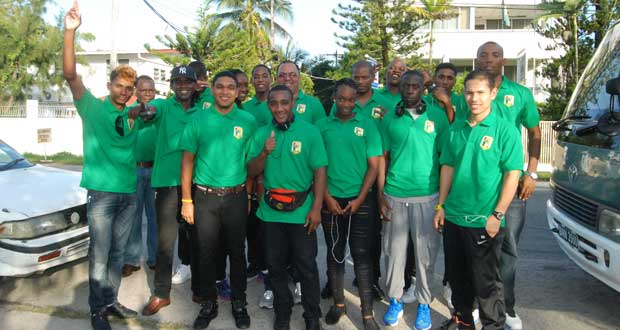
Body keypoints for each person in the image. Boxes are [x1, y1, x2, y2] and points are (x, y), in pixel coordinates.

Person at [63, 2, 139, 329]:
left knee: (118, 255)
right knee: (99, 255)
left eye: (129, 88)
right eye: (119, 86)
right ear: (110, 87)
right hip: (102, 195)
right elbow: (70, 74)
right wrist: (70, 31)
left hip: (129, 194)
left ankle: (110, 301)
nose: (124, 91)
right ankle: (96, 310)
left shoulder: (134, 116)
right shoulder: (92, 108)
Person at [435, 69, 523, 330]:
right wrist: (441, 205)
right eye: (469, 92)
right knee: (458, 279)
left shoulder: (505, 131)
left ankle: (493, 325)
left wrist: (497, 215)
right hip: (454, 217)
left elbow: (511, 176)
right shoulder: (457, 128)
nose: (474, 98)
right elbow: (447, 168)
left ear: (493, 94)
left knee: (486, 285)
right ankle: (463, 322)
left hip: (484, 221)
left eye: (480, 93)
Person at [179, 71, 257, 330]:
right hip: (204, 197)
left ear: (237, 92)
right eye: (220, 87)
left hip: (235, 197)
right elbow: (187, 160)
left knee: (237, 253)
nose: (225, 92)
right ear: (212, 90)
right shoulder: (199, 119)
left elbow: (250, 163)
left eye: (230, 87)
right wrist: (187, 200)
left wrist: (247, 195)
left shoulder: (247, 120)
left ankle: (239, 302)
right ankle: (208, 304)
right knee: (205, 253)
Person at [247, 84, 327, 330]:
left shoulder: (310, 132)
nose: (279, 108)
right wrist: (264, 153)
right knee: (275, 265)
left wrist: (317, 209)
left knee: (307, 266)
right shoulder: (262, 133)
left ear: (292, 102)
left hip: (302, 210)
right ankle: (283, 311)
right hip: (271, 212)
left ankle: (312, 316)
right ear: (269, 105)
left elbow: (320, 172)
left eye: (284, 102)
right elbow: (251, 171)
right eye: (274, 103)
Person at [476, 41, 541, 330]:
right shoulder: (470, 93)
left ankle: (508, 307)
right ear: (476, 60)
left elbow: (536, 132)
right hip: (478, 184)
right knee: (478, 249)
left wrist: (533, 172)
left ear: (504, 61)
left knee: (508, 251)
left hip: (512, 183)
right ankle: (483, 305)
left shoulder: (520, 94)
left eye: (496, 55)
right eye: (483, 55)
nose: (489, 59)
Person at [378, 70, 449, 330]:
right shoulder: (389, 119)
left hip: (427, 196)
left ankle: (424, 304)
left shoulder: (437, 117)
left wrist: (442, 201)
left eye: (415, 86)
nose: (410, 89)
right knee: (394, 254)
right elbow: (382, 159)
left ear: (423, 89)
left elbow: (446, 162)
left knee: (425, 256)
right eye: (406, 85)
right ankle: (395, 300)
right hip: (395, 195)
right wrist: (380, 195)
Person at [316, 78, 382, 330]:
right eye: (341, 98)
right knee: (335, 255)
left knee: (362, 257)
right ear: (334, 98)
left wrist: (361, 198)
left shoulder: (368, 125)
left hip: (360, 201)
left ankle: (367, 315)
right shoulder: (322, 126)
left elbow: (374, 166)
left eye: (350, 99)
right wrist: (328, 198)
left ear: (356, 100)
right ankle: (339, 304)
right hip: (330, 200)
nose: (346, 104)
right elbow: (317, 166)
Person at [137, 65, 203, 316]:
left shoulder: (204, 110)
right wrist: (144, 111)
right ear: (172, 86)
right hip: (167, 183)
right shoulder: (164, 106)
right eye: (178, 81)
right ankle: (161, 293)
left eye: (188, 81)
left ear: (196, 84)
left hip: (196, 183)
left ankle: (200, 288)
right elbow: (149, 111)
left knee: (197, 239)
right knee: (165, 243)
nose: (183, 85)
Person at [122, 75, 158, 277]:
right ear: (136, 91)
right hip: (134, 170)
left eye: (151, 90)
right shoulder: (129, 113)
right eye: (143, 90)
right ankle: (132, 259)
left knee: (154, 218)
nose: (147, 94)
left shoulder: (159, 111)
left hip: (155, 171)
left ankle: (154, 258)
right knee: (133, 218)